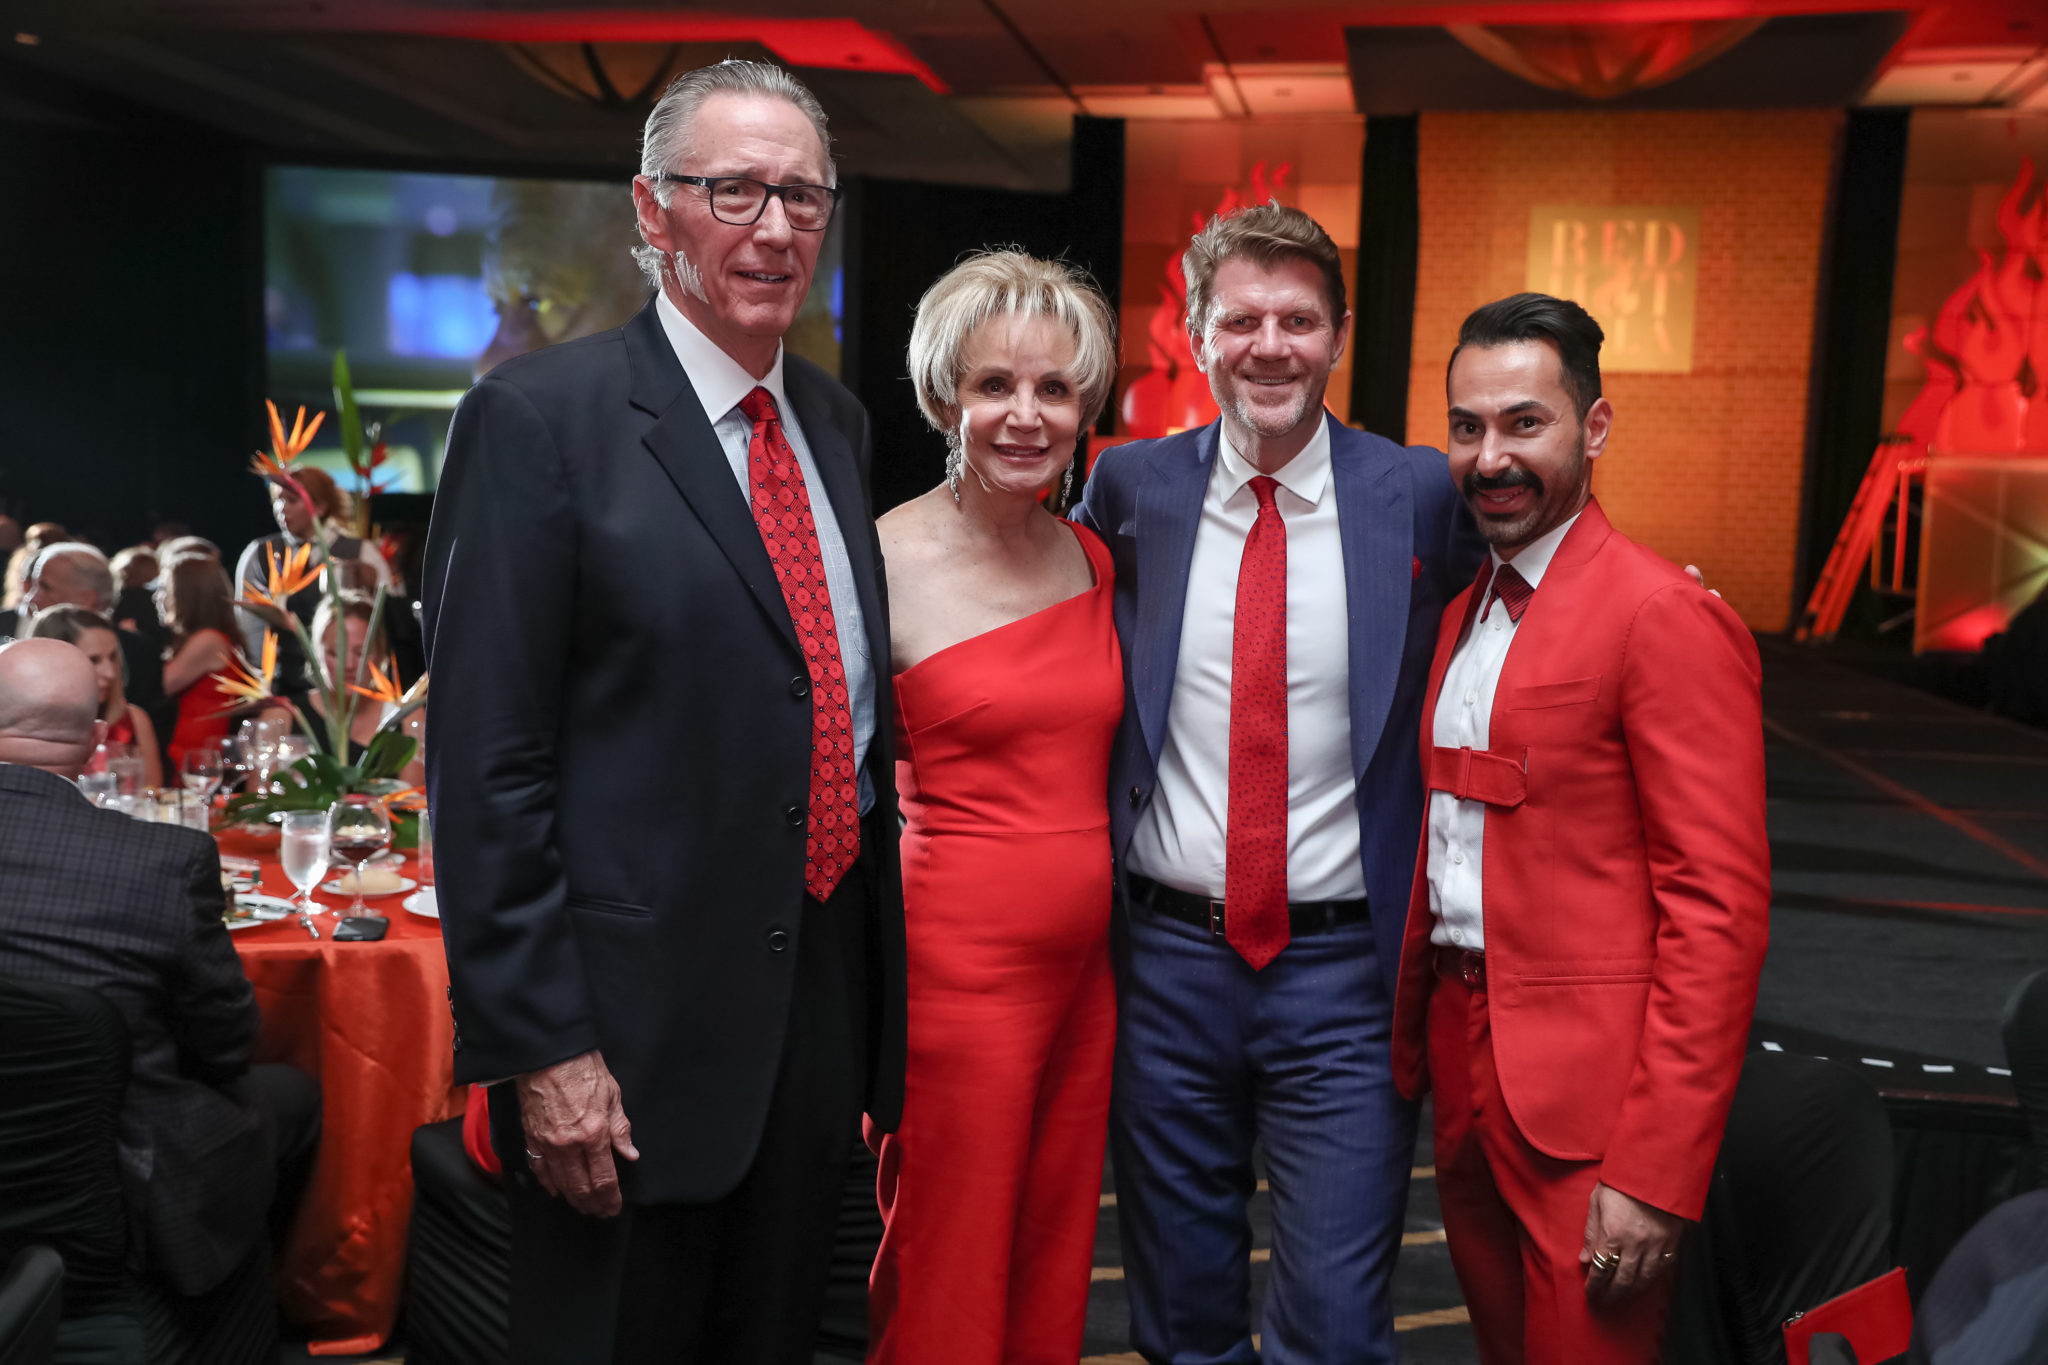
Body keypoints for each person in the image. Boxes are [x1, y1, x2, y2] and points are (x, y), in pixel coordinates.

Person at [422, 58, 905, 1365]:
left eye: (803, 195)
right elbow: (487, 766)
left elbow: (831, 719)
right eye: (733, 188)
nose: (774, 226)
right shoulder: (540, 420)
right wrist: (546, 1051)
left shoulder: (836, 424)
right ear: (652, 210)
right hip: (621, 1047)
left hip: (808, 1029)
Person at [1070, 203, 1489, 1364]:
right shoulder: (1126, 489)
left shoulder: (1413, 493)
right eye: (1240, 319)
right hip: (1161, 969)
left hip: (1341, 981)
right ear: (1195, 334)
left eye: (1297, 320)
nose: (1270, 346)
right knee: (1180, 1319)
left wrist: (1665, 600)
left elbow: (1531, 587)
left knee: (1336, 1330)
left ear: (1338, 336)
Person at [1389, 293, 1769, 1364]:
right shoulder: (1468, 610)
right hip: (1467, 1068)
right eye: (1466, 428)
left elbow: (1718, 912)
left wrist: (1653, 1171)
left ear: (1592, 428)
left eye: (1523, 423)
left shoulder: (1662, 615)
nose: (1489, 456)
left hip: (1592, 1101)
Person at [864, 252, 1121, 1364]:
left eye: (1053, 390)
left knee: (1053, 1249)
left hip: (1084, 976)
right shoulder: (873, 562)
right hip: (953, 978)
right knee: (953, 1261)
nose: (1025, 415)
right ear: (941, 398)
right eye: (992, 387)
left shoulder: (1092, 558)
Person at [0, 637, 320, 1356]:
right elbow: (225, 1042)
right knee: (290, 1095)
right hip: (117, 1190)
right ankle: (237, 1323)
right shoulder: (160, 861)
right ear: (95, 746)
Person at [16, 542, 172, 755]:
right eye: (94, 659)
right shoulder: (15, 657)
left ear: (87, 598)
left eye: (45, 586)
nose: (31, 597)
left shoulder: (140, 655)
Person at [26, 604, 165, 789]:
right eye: (94, 660)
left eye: (113, 657)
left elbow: (151, 798)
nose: (110, 673)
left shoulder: (133, 720)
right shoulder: (23, 733)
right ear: (55, 663)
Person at [159, 553, 250, 769]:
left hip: (194, 755)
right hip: (193, 750)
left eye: (165, 589)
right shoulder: (213, 638)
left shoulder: (208, 641)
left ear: (187, 595)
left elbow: (160, 685)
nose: (159, 597)